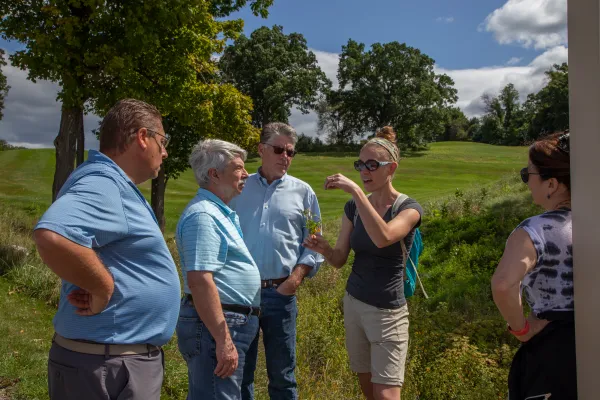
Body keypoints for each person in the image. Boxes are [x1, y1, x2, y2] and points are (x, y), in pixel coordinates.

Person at [33, 99, 181, 400]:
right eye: (162, 141)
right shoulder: (105, 183)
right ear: (142, 137)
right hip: (107, 367)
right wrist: (103, 287)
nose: (165, 152)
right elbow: (52, 235)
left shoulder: (111, 183)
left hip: (110, 361)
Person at [303, 126, 422, 400]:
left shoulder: (408, 209)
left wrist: (356, 190)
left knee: (387, 395)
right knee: (368, 391)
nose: (364, 171)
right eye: (360, 164)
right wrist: (324, 248)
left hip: (388, 312)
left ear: (391, 168)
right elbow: (339, 259)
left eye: (372, 165)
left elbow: (385, 237)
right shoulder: (352, 209)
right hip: (354, 303)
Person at [229, 122, 324, 400]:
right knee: (240, 373)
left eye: (291, 152)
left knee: (283, 376)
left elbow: (315, 242)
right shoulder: (238, 188)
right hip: (239, 295)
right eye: (279, 149)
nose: (285, 156)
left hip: (281, 294)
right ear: (261, 149)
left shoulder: (303, 192)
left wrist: (295, 280)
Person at [491, 132, 575, 399]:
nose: (526, 183)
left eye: (528, 174)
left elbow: (503, 285)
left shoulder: (535, 230)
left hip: (554, 353)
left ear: (551, 184)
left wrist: (522, 329)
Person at [175, 139, 261, 400]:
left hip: (229, 322)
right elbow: (200, 280)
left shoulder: (219, 212)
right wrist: (223, 340)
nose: (246, 174)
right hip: (217, 325)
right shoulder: (204, 216)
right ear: (214, 174)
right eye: (238, 168)